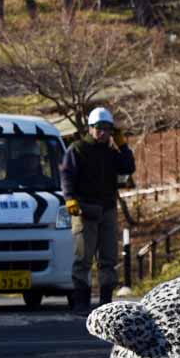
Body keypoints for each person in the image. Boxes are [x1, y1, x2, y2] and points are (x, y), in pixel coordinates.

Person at [60, 107, 135, 314]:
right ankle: (81, 302)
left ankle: (105, 301)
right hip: (84, 210)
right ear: (90, 128)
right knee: (83, 259)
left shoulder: (111, 153)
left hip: (107, 209)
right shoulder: (77, 149)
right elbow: (66, 175)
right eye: (99, 128)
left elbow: (128, 167)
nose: (103, 132)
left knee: (108, 259)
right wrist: (70, 199)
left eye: (108, 129)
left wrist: (122, 145)